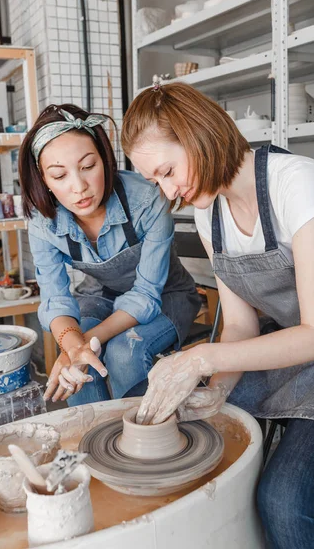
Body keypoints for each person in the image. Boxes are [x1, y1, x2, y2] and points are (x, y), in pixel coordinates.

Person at [121, 81, 314, 549]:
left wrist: (202, 361)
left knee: (287, 502)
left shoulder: (298, 182)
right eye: (156, 180)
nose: (169, 191)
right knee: (146, 404)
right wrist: (214, 391)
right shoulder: (210, 213)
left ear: (197, 132)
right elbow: (240, 325)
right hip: (292, 349)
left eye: (168, 171)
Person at [19, 103, 200, 407]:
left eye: (88, 166)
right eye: (59, 175)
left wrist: (84, 344)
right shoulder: (42, 222)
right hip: (101, 295)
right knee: (81, 355)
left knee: (121, 351)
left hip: (166, 294)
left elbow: (145, 295)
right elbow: (55, 299)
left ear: (104, 159)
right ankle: (93, 440)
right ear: (44, 180)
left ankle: (143, 441)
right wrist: (73, 347)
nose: (79, 187)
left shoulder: (147, 198)